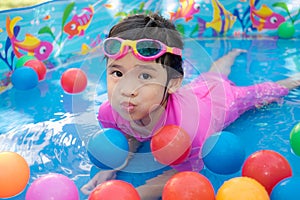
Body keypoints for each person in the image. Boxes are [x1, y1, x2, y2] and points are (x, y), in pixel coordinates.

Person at [81, 13, 300, 199]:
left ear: (173, 82)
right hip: (195, 91)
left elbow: (181, 175)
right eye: (117, 73)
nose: (127, 89)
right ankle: (231, 55)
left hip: (221, 100)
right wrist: (111, 167)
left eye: (145, 76)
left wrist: (136, 194)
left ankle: (293, 79)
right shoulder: (109, 113)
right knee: (213, 74)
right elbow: (127, 137)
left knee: (261, 93)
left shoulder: (189, 131)